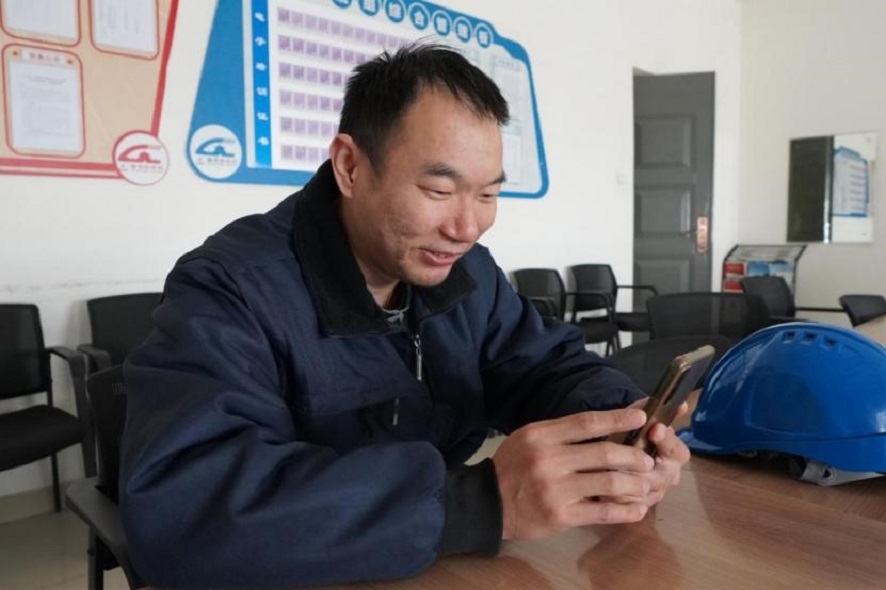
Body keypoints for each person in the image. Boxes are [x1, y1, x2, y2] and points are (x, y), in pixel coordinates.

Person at [120, 43, 689, 588]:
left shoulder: (467, 273)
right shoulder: (232, 287)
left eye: (488, 195)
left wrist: (621, 424)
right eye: (439, 190)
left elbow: (544, 365)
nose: (466, 228)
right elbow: (184, 507)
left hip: (423, 563)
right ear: (349, 166)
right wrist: (479, 502)